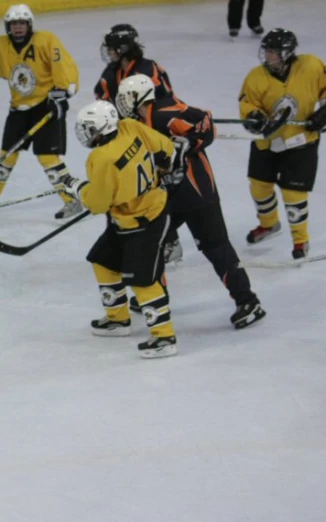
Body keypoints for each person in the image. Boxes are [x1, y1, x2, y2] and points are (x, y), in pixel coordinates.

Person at [116, 74, 266, 329]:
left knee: (216, 246)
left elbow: (206, 121)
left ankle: (248, 302)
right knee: (152, 243)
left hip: (197, 192)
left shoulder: (164, 112)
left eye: (126, 97)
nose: (122, 102)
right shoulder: (139, 120)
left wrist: (189, 142)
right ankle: (156, 297)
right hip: (168, 195)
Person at [58, 100, 178, 358]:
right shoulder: (130, 125)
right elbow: (166, 147)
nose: (87, 133)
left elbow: (98, 204)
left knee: (143, 279)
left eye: (90, 128)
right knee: (103, 260)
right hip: (135, 214)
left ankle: (164, 337)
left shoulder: (100, 158)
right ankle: (118, 318)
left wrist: (76, 187)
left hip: (144, 220)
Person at [0, 4, 82, 220]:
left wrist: (63, 93)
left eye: (22, 23)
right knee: (6, 156)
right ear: (8, 26)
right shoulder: (0, 45)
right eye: (14, 24)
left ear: (29, 25)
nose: (18, 28)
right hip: (18, 110)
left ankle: (71, 199)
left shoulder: (46, 40)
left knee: (48, 158)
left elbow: (63, 66)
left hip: (46, 107)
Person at [93, 23, 183, 263]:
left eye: (112, 48)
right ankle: (119, 238)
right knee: (120, 193)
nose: (108, 52)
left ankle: (170, 242)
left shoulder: (148, 70)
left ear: (123, 48)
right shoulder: (110, 74)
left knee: (155, 193)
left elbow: (164, 104)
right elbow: (102, 103)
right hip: (126, 140)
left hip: (152, 139)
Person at [238, 29, 326, 260]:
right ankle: (268, 225)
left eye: (273, 52)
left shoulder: (311, 66)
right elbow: (248, 107)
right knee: (259, 185)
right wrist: (255, 119)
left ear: (287, 53)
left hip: (302, 142)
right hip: (268, 143)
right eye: (266, 51)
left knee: (293, 192)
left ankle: (300, 240)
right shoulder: (256, 77)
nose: (267, 56)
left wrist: (324, 113)